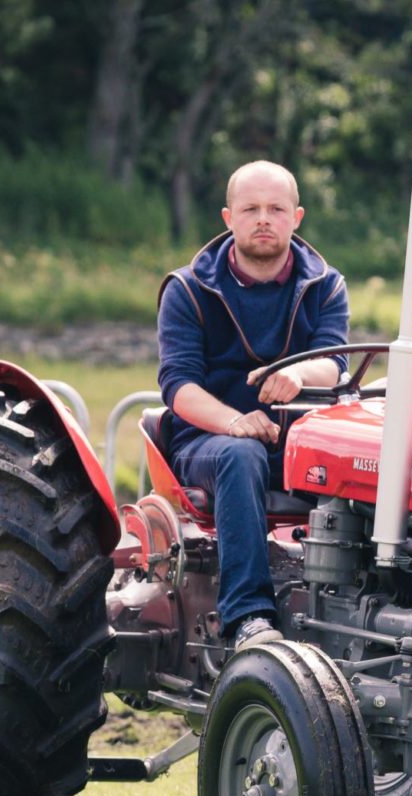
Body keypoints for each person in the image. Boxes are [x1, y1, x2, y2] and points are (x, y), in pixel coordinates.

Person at [157, 160, 349, 651]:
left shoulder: (325, 285)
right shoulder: (187, 290)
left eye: (276, 209)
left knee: (371, 450)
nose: (263, 219)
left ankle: (358, 607)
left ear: (297, 217)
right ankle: (249, 618)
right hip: (208, 442)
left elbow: (333, 363)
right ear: (228, 217)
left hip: (298, 440)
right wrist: (235, 422)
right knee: (240, 455)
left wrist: (296, 374)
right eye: (251, 209)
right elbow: (178, 386)